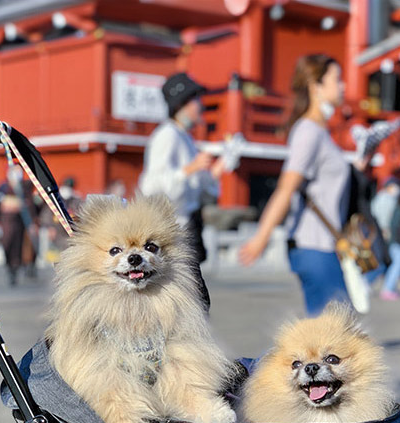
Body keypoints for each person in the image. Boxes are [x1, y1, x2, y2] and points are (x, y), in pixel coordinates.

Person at [239, 54, 351, 315]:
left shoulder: (320, 132)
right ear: (316, 87)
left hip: (324, 245)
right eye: (337, 79)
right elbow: (287, 186)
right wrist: (261, 237)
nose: (343, 86)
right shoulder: (308, 132)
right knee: (333, 335)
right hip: (313, 245)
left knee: (334, 333)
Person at [138, 72, 225, 308]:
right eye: (195, 100)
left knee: (194, 300)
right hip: (173, 230)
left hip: (187, 226)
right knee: (193, 301)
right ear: (182, 104)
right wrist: (189, 170)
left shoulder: (184, 138)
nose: (200, 106)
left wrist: (210, 173)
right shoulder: (167, 136)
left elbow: (197, 189)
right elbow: (151, 186)